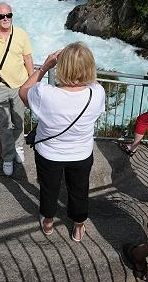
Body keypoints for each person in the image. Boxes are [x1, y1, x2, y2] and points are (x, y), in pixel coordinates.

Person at [19, 42, 105, 241]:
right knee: (79, 190)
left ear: (62, 67)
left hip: (49, 153)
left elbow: (23, 91)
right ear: (89, 68)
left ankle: (48, 223)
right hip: (81, 154)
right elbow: (93, 81)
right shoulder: (97, 93)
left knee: (49, 189)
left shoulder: (46, 94)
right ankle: (78, 227)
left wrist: (45, 66)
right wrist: (84, 65)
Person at [0, 2, 34, 176]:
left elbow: (28, 60)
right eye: (1, 16)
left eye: (8, 15)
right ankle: (8, 157)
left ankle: (18, 147)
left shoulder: (21, 35)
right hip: (0, 88)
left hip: (19, 86)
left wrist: (32, 84)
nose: (5, 19)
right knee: (4, 125)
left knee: (18, 120)